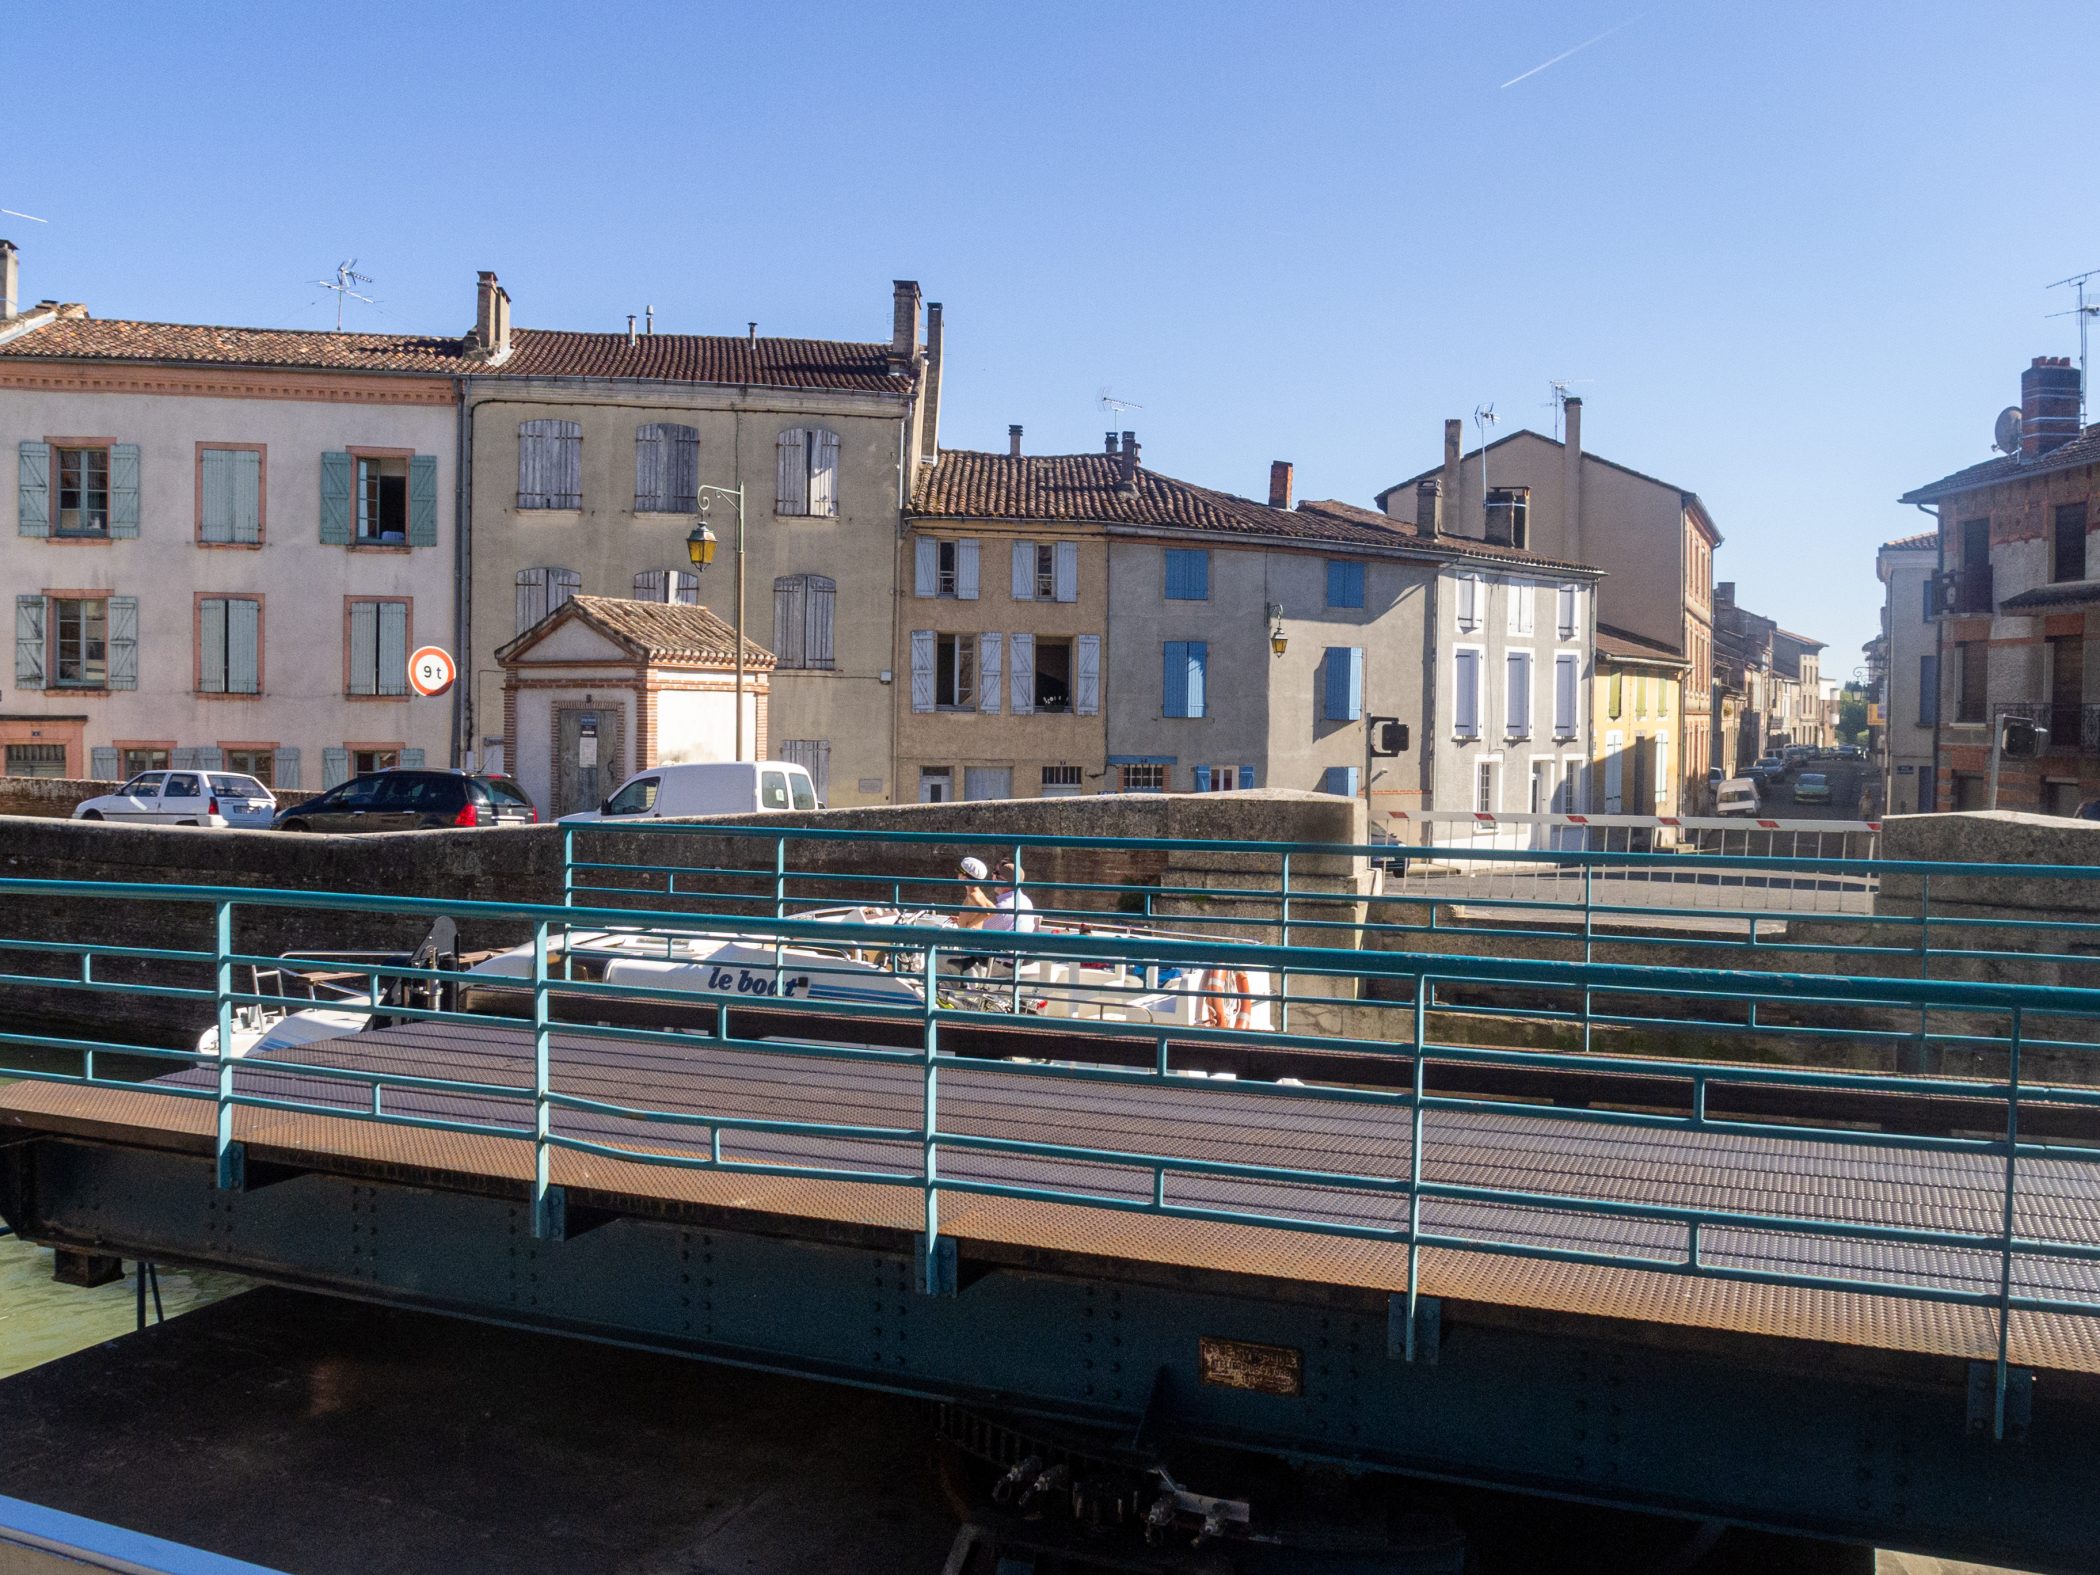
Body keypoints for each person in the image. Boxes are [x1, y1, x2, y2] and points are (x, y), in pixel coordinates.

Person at [981, 857, 1038, 933]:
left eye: (996, 873)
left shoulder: (1003, 908)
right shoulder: (1026, 901)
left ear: (1002, 881)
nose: (993, 876)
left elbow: (979, 932)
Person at [952, 856, 995, 929]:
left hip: (968, 936)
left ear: (965, 876)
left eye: (959, 872)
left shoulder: (973, 895)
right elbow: (993, 909)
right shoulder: (977, 892)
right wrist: (961, 920)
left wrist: (971, 925)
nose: (958, 874)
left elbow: (986, 912)